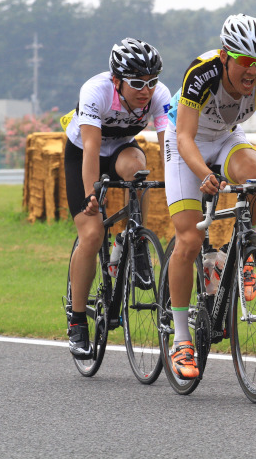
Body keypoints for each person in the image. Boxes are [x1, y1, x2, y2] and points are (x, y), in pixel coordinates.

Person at [163, 14, 256, 379]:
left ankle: (243, 252)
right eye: (246, 62)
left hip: (227, 135)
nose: (253, 71)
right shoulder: (202, 74)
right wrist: (205, 175)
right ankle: (181, 339)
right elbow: (184, 137)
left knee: (254, 176)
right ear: (225, 56)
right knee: (188, 238)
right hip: (185, 141)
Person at [62, 38, 171, 359]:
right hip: (83, 153)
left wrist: (175, 186)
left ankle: (135, 240)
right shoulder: (96, 91)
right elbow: (92, 150)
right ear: (116, 80)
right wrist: (91, 195)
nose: (145, 90)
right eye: (137, 83)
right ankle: (77, 322)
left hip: (122, 149)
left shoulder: (159, 96)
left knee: (140, 170)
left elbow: (168, 147)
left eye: (151, 82)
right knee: (93, 234)